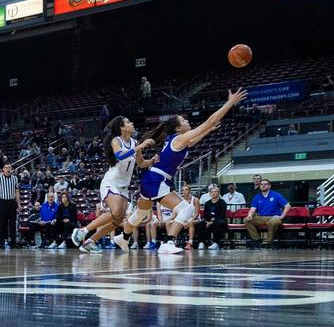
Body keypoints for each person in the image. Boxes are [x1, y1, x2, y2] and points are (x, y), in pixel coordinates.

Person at [113, 88, 248, 255]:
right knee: (187, 209)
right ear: (178, 128)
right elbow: (211, 120)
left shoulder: (176, 140)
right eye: (183, 121)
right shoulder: (179, 138)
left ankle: (123, 237)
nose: (187, 121)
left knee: (140, 213)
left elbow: (193, 141)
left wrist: (208, 131)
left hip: (152, 178)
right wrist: (229, 103)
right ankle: (168, 243)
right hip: (157, 180)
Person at [72, 116, 156, 253]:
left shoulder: (134, 142)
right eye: (128, 122)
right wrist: (139, 146)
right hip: (111, 182)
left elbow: (140, 163)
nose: (132, 123)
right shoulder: (116, 140)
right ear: (122, 127)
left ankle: (90, 241)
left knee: (118, 220)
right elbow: (120, 155)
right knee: (116, 212)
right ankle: (82, 231)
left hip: (124, 186)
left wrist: (151, 161)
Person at [243, 178, 290, 246]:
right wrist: (250, 215)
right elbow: (253, 209)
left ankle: (269, 241)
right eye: (261, 184)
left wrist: (281, 217)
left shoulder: (276, 195)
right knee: (246, 220)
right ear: (259, 186)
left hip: (275, 217)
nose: (263, 186)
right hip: (262, 218)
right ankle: (257, 239)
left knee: (273, 221)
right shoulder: (257, 197)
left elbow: (288, 206)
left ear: (269, 186)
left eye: (265, 184)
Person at [0, 164, 19, 249]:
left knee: (12, 224)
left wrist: (19, 204)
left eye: (9, 167)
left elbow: (17, 192)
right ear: (3, 169)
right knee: (2, 224)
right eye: (6, 168)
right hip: (3, 202)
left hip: (12, 202)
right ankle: (1, 243)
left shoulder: (15, 178)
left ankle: (13, 243)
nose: (8, 169)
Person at [197, 185, 228, 250]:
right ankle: (201, 242)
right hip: (209, 220)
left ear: (219, 193)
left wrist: (212, 221)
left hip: (220, 220)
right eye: (212, 192)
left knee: (218, 223)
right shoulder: (207, 203)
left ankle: (216, 243)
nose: (213, 193)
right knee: (201, 224)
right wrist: (208, 221)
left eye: (215, 192)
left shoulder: (222, 202)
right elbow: (205, 214)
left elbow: (222, 214)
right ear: (210, 193)